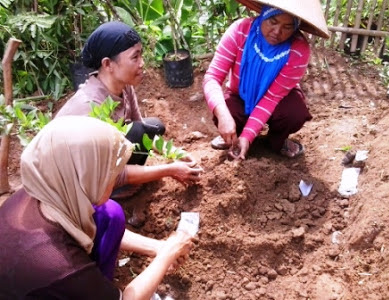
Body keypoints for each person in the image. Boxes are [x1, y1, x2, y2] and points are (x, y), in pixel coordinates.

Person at [0, 116, 193, 299]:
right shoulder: (61, 266)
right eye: (108, 172)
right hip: (47, 283)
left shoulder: (43, 190)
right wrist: (167, 254)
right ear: (85, 177)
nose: (115, 178)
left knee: (108, 213)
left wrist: (158, 247)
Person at [57, 21, 203, 225]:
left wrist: (176, 154)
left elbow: (138, 129)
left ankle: (130, 181)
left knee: (150, 127)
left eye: (141, 54)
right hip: (76, 186)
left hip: (106, 160)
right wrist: (170, 170)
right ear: (108, 64)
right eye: (135, 57)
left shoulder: (124, 87)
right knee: (139, 134)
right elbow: (108, 173)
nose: (142, 63)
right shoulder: (90, 110)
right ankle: (117, 191)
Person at [203, 0, 329, 160]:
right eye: (273, 21)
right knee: (227, 109)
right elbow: (212, 77)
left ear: (295, 27)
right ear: (263, 15)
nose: (277, 31)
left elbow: (271, 97)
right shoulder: (240, 31)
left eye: (287, 27)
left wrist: (248, 136)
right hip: (240, 96)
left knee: (294, 113)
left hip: (278, 100)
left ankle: (276, 140)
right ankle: (234, 137)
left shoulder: (298, 49)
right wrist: (223, 116)